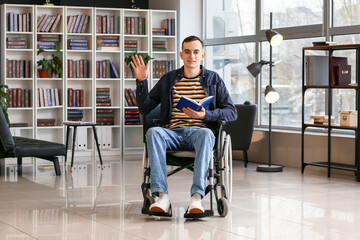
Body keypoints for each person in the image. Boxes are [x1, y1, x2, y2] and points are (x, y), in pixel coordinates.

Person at [132, 35, 237, 215]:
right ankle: (162, 197)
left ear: (202, 55)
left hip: (200, 134)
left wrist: (207, 114)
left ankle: (196, 198)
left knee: (206, 134)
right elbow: (145, 108)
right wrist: (142, 82)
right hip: (172, 133)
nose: (192, 56)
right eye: (187, 52)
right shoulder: (169, 79)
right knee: (153, 132)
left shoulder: (214, 79)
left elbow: (231, 112)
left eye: (196, 52)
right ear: (181, 54)